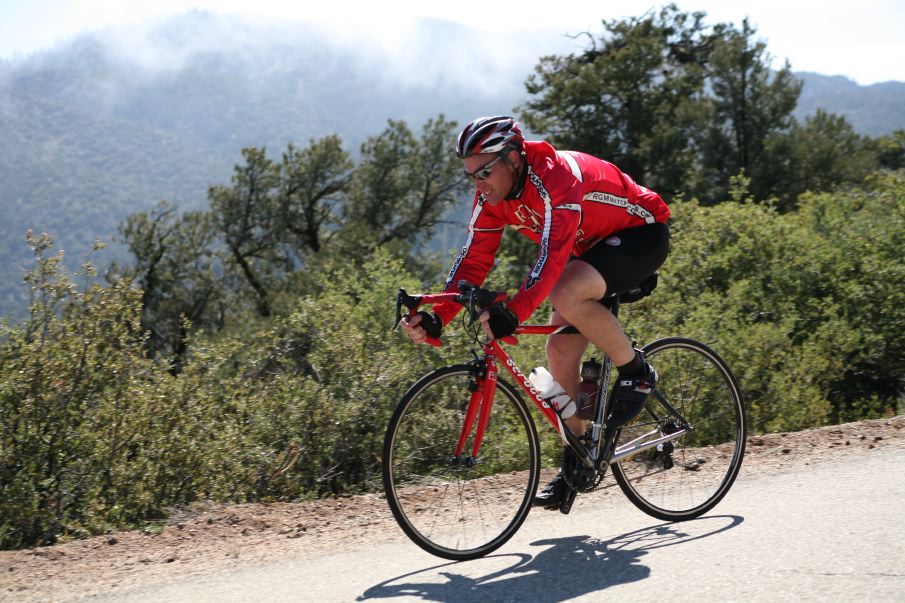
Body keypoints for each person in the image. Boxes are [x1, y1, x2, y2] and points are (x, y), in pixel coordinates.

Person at [401, 116, 670, 509]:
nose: (478, 184)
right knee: (559, 355)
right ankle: (578, 462)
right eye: (471, 176)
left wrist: (516, 310)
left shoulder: (556, 177)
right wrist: (439, 313)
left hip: (639, 234)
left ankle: (637, 372)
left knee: (564, 291)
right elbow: (473, 259)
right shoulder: (492, 198)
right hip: (589, 251)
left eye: (485, 172)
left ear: (512, 158)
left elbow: (553, 255)